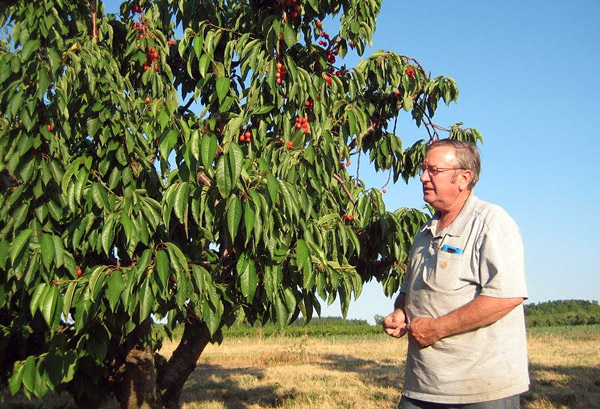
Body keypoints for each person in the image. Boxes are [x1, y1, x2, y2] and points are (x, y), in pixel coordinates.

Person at [382, 139, 529, 409]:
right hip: (422, 385)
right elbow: (409, 292)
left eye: (433, 170)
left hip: (480, 391)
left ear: (464, 178)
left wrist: (437, 329)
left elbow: (506, 296)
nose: (423, 177)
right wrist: (401, 312)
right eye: (424, 169)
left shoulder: (491, 222)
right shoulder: (424, 233)